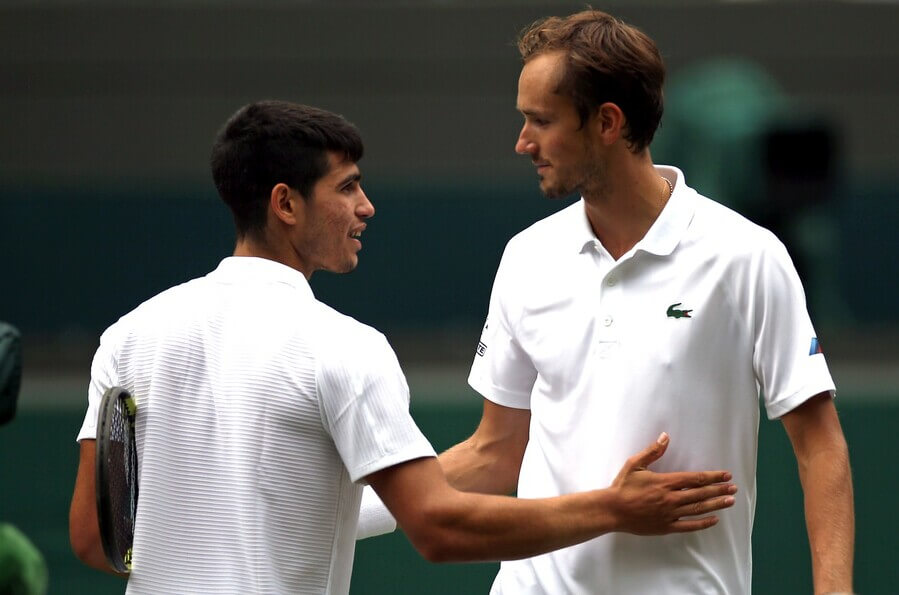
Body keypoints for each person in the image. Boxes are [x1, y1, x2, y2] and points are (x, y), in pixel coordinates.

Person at [67, 100, 738, 594]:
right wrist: (611, 508)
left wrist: (243, 532)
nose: (367, 207)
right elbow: (440, 527)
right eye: (347, 187)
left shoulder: (126, 338)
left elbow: (99, 537)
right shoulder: (344, 348)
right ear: (285, 204)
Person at [440, 9, 853, 595]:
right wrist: (344, 503)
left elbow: (819, 444)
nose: (522, 142)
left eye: (541, 121)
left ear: (607, 122)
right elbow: (494, 451)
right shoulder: (525, 257)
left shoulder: (747, 256)